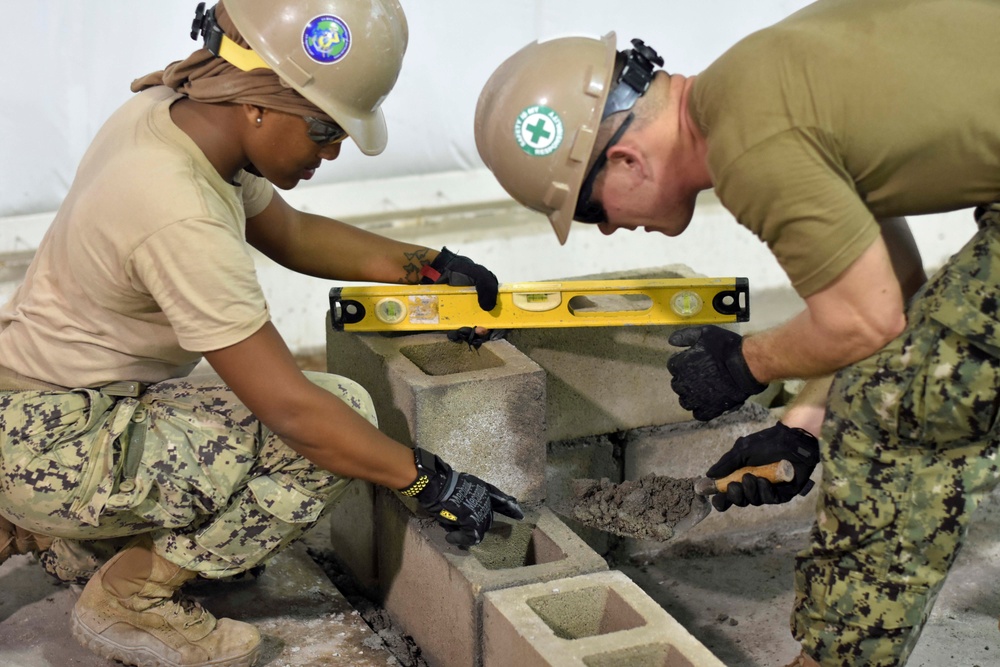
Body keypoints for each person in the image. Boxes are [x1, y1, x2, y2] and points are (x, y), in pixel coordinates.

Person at [473, 0, 1000, 665]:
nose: (604, 227)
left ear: (629, 160)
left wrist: (748, 361)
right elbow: (892, 286)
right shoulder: (760, 85)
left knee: (909, 408)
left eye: (588, 207)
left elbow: (870, 318)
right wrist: (800, 427)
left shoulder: (750, 146)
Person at [0, 2, 523, 666]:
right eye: (324, 128)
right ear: (258, 106)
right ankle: (131, 597)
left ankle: (48, 518)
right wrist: (426, 480)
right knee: (330, 426)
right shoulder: (176, 209)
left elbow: (293, 233)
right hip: (55, 436)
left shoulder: (176, 121)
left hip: (44, 401)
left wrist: (426, 267)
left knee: (275, 429)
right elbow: (292, 412)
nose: (332, 151)